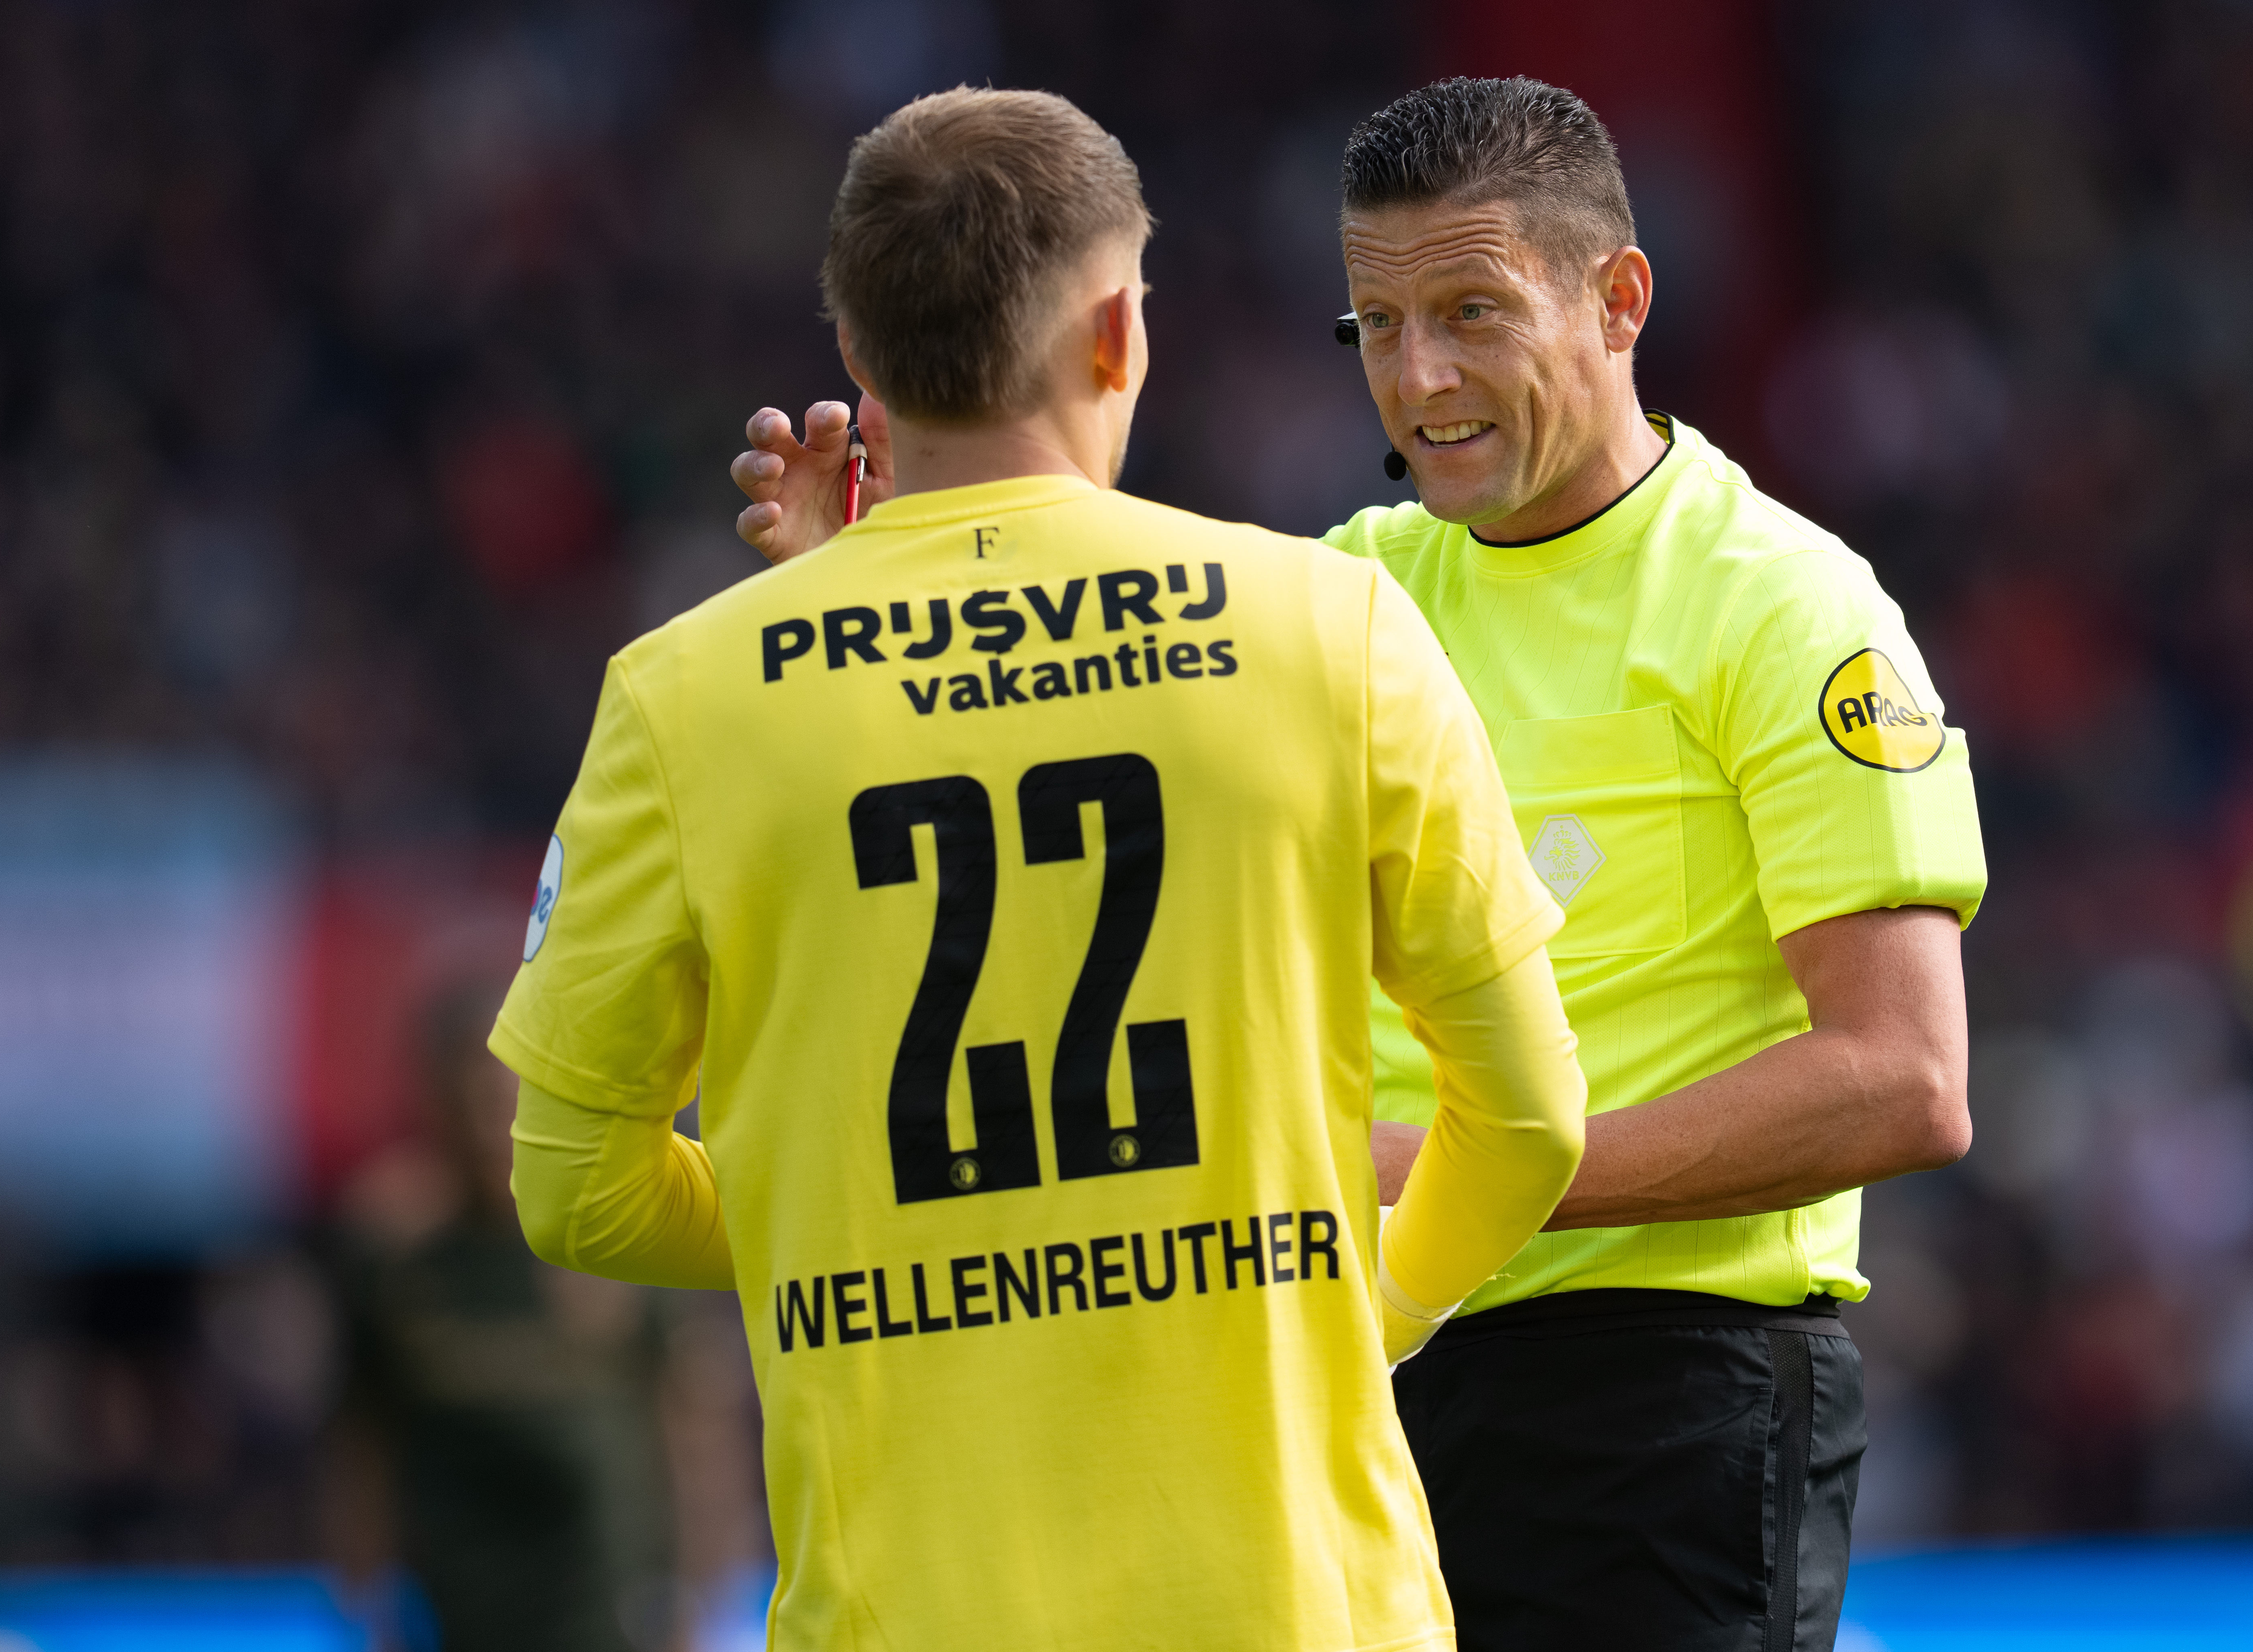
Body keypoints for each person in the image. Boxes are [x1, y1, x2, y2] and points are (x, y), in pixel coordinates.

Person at [729, 76, 1987, 1652]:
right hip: (1348, 1380)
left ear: (1618, 301)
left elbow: (1902, 1078)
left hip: (1660, 1384)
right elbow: (1052, 865)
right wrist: (873, 618)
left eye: (1469, 312)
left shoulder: (1785, 610)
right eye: (1374, 329)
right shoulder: (1341, 598)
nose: (1419, 378)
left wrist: (1484, 1175)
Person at [493, 87, 1588, 1652]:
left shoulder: (686, 701)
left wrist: (869, 1213)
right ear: (1117, 336)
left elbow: (572, 1189)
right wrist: (1377, 1312)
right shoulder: (1334, 633)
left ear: (860, 365)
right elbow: (1531, 1120)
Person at [331, 983, 673, 1652]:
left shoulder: (610, 1242)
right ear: (434, 1104)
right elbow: (359, 1442)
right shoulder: (396, 1261)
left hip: (606, 1628)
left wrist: (693, 1606)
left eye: (509, 1099)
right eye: (474, 1100)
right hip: (457, 1625)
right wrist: (366, 1605)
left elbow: (688, 1425)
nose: (495, 1126)